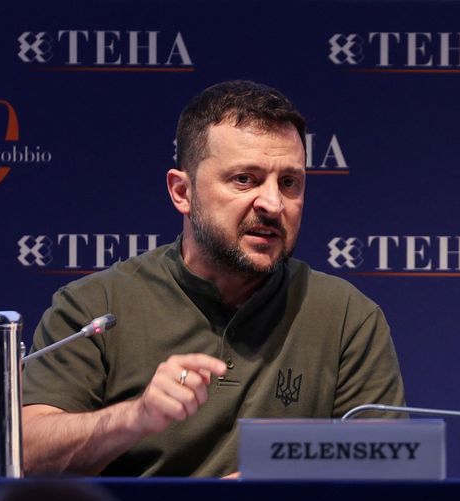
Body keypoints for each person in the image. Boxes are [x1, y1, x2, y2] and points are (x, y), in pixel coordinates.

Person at [22, 80, 405, 477]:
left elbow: (386, 467)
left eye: (289, 182)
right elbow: (27, 456)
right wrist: (134, 417)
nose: (273, 204)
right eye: (245, 179)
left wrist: (274, 480)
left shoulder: (346, 315)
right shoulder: (95, 306)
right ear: (182, 192)